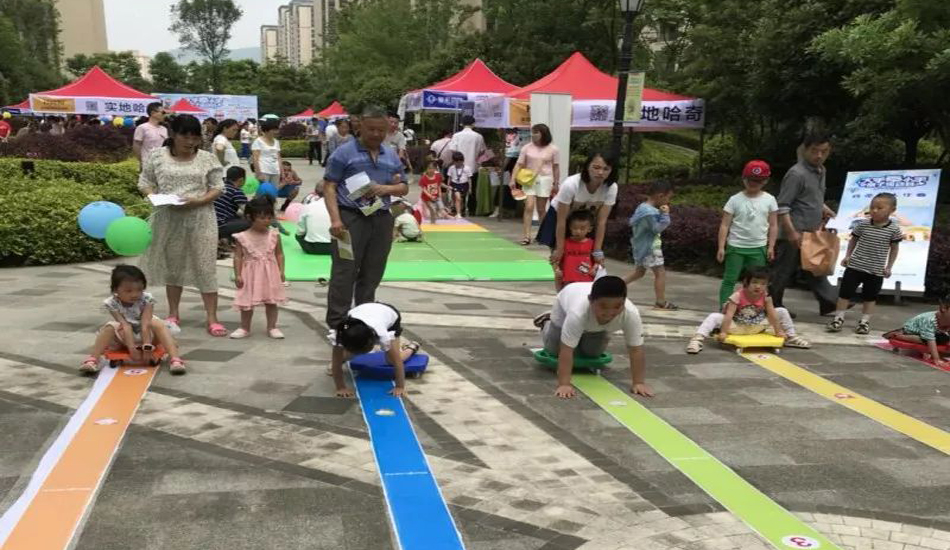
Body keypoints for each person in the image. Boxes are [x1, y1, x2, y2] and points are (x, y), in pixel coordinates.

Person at [138, 114, 227, 337]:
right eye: (184, 136)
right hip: (169, 219)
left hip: (200, 217)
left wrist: (199, 200)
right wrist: (154, 197)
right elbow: (145, 182)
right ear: (173, 135)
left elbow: (217, 187)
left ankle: (212, 317)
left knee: (205, 265)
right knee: (173, 265)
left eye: (195, 137)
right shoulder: (157, 156)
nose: (190, 142)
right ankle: (173, 313)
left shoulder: (207, 159)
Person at [323, 105, 409, 334]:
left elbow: (403, 186)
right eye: (371, 129)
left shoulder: (390, 155)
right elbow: (329, 186)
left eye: (381, 130)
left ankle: (364, 319)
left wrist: (385, 188)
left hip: (381, 218)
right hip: (350, 218)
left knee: (373, 271)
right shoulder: (343, 153)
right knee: (344, 270)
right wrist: (335, 220)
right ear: (360, 126)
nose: (376, 134)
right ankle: (337, 324)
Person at [533, 276, 654, 399]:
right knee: (554, 350)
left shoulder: (631, 314)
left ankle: (581, 332)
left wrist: (638, 383)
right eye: (603, 306)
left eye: (617, 306)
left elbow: (636, 349)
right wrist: (564, 384)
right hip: (565, 311)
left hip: (592, 326)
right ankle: (547, 322)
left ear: (624, 301)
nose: (609, 312)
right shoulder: (577, 312)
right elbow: (566, 349)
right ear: (590, 300)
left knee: (592, 353)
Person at [769, 131, 838, 316]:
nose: (819, 155)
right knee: (783, 270)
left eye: (824, 151)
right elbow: (783, 205)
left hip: (811, 230)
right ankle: (773, 306)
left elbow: (812, 196)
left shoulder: (821, 171)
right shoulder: (796, 174)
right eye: (814, 151)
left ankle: (829, 302)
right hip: (794, 230)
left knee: (814, 267)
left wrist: (824, 208)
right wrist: (791, 232)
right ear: (805, 150)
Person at [79, 265, 185, 375]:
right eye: (128, 291)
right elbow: (125, 325)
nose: (135, 294)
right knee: (110, 327)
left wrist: (147, 347)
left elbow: (145, 323)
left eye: (139, 290)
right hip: (125, 335)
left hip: (148, 334)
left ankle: (175, 359)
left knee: (157, 323)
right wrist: (131, 348)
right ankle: (93, 359)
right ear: (115, 290)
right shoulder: (111, 303)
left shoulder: (146, 299)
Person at [686, 267, 811, 354]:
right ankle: (697, 340)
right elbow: (729, 315)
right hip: (737, 327)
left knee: (781, 311)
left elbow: (772, 314)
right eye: (755, 282)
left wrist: (779, 331)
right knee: (714, 316)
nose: (758, 286)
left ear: (767, 285)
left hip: (757, 326)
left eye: (763, 284)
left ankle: (791, 337)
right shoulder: (738, 295)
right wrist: (723, 332)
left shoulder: (766, 296)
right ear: (746, 282)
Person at [826, 193, 903, 334]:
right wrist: (847, 256)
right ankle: (838, 319)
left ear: (892, 210)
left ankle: (864, 322)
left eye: (880, 208)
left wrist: (889, 267)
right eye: (872, 207)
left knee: (870, 297)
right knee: (844, 294)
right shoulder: (862, 225)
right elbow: (853, 240)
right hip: (855, 266)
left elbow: (894, 249)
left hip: (875, 270)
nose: (874, 210)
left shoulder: (894, 229)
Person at [538, 151, 618, 275]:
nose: (600, 172)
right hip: (561, 219)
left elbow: (601, 222)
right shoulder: (571, 184)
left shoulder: (611, 188)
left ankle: (583, 284)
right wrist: (560, 248)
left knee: (587, 260)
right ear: (587, 167)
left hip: (586, 220)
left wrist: (597, 250)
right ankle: (561, 285)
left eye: (606, 169)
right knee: (560, 261)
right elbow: (561, 220)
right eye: (596, 167)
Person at [716, 160, 779, 307]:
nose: (753, 183)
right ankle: (724, 309)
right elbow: (725, 224)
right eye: (750, 179)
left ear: (765, 181)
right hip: (735, 246)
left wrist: (771, 246)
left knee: (758, 282)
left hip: (758, 247)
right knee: (729, 280)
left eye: (758, 180)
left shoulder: (770, 200)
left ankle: (753, 309)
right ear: (743, 178)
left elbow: (773, 225)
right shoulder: (734, 200)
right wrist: (721, 247)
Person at [330, 302, 421, 398]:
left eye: (364, 351)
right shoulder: (341, 334)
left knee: (392, 359)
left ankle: (412, 347)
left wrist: (400, 387)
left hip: (389, 313)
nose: (362, 354)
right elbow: (336, 363)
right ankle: (349, 353)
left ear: (372, 341)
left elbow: (397, 363)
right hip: (365, 311)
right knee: (344, 357)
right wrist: (340, 388)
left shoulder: (383, 335)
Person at [230, 196, 287, 339]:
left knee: (271, 301)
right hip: (250, 274)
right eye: (262, 218)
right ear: (250, 217)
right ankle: (244, 327)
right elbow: (238, 257)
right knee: (246, 301)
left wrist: (281, 271)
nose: (266, 221)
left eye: (269, 217)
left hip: (270, 273)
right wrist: (238, 274)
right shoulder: (242, 237)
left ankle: (272, 327)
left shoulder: (274, 235)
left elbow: (279, 254)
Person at [624, 180, 677, 310]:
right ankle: (660, 302)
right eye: (668, 198)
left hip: (641, 246)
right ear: (660, 196)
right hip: (651, 247)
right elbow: (656, 228)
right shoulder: (650, 212)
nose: (668, 202)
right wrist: (665, 216)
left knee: (639, 272)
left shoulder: (642, 208)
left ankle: (614, 286)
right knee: (660, 273)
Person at [509, 123, 561, 245]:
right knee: (529, 206)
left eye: (536, 132)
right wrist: (512, 179)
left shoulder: (553, 149)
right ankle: (526, 236)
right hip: (529, 179)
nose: (533, 135)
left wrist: (556, 183)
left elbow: (556, 167)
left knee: (541, 208)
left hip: (545, 179)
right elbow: (519, 164)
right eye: (532, 132)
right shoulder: (526, 148)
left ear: (543, 134)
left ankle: (543, 235)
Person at [883, 296, 950, 368]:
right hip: (912, 331)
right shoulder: (929, 320)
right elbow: (930, 340)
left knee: (944, 338)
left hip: (932, 332)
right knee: (926, 340)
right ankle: (898, 335)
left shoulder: (946, 319)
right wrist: (937, 359)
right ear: (943, 308)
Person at [449, 115, 487, 215]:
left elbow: (452, 149)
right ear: (473, 124)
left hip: (458, 166)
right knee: (472, 188)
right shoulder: (478, 136)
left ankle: (458, 208)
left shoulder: (456, 135)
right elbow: (483, 151)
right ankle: (472, 209)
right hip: (473, 166)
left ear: (462, 124)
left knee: (457, 188)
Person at [555, 209, 596, 290]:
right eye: (575, 228)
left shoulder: (593, 244)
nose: (578, 231)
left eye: (582, 229)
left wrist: (594, 270)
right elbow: (555, 259)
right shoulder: (563, 243)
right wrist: (557, 270)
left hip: (586, 280)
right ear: (570, 227)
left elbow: (597, 261)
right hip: (568, 278)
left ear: (589, 229)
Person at [215, 165, 251, 250]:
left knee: (238, 216)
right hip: (221, 225)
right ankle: (226, 239)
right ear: (241, 180)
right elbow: (249, 211)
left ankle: (224, 239)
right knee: (252, 222)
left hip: (212, 222)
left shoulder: (219, 186)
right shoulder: (236, 191)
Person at [296, 190, 332, 254]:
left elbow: (300, 231)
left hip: (311, 248)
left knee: (299, 234)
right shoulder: (340, 207)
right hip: (334, 248)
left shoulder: (308, 206)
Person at [132, 102, 168, 168]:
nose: (164, 115)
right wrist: (141, 161)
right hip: (147, 164)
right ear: (153, 113)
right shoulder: (142, 128)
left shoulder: (164, 129)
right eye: (163, 112)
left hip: (162, 165)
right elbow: (136, 146)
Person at [251, 119, 282, 185]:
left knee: (274, 191)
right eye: (273, 130)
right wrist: (258, 173)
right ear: (266, 130)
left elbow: (279, 158)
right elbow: (255, 158)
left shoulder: (276, 142)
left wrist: (282, 172)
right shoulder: (258, 141)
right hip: (264, 170)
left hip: (275, 171)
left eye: (277, 130)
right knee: (263, 190)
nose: (276, 132)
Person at [446, 152, 473, 219]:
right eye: (456, 162)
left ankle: (460, 211)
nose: (458, 163)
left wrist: (470, 188)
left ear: (463, 161)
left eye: (460, 161)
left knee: (461, 199)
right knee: (458, 198)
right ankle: (458, 213)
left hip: (464, 185)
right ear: (453, 161)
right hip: (455, 184)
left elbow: (469, 179)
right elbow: (449, 178)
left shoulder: (467, 168)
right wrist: (448, 186)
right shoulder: (451, 168)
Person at [419, 160, 444, 224]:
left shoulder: (438, 176)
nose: (431, 170)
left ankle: (434, 221)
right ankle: (433, 222)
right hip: (427, 198)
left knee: (440, 208)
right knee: (432, 209)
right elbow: (424, 189)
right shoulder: (423, 178)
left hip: (436, 196)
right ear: (426, 169)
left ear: (435, 169)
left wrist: (440, 194)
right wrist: (430, 196)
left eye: (433, 168)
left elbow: (438, 186)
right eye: (429, 168)